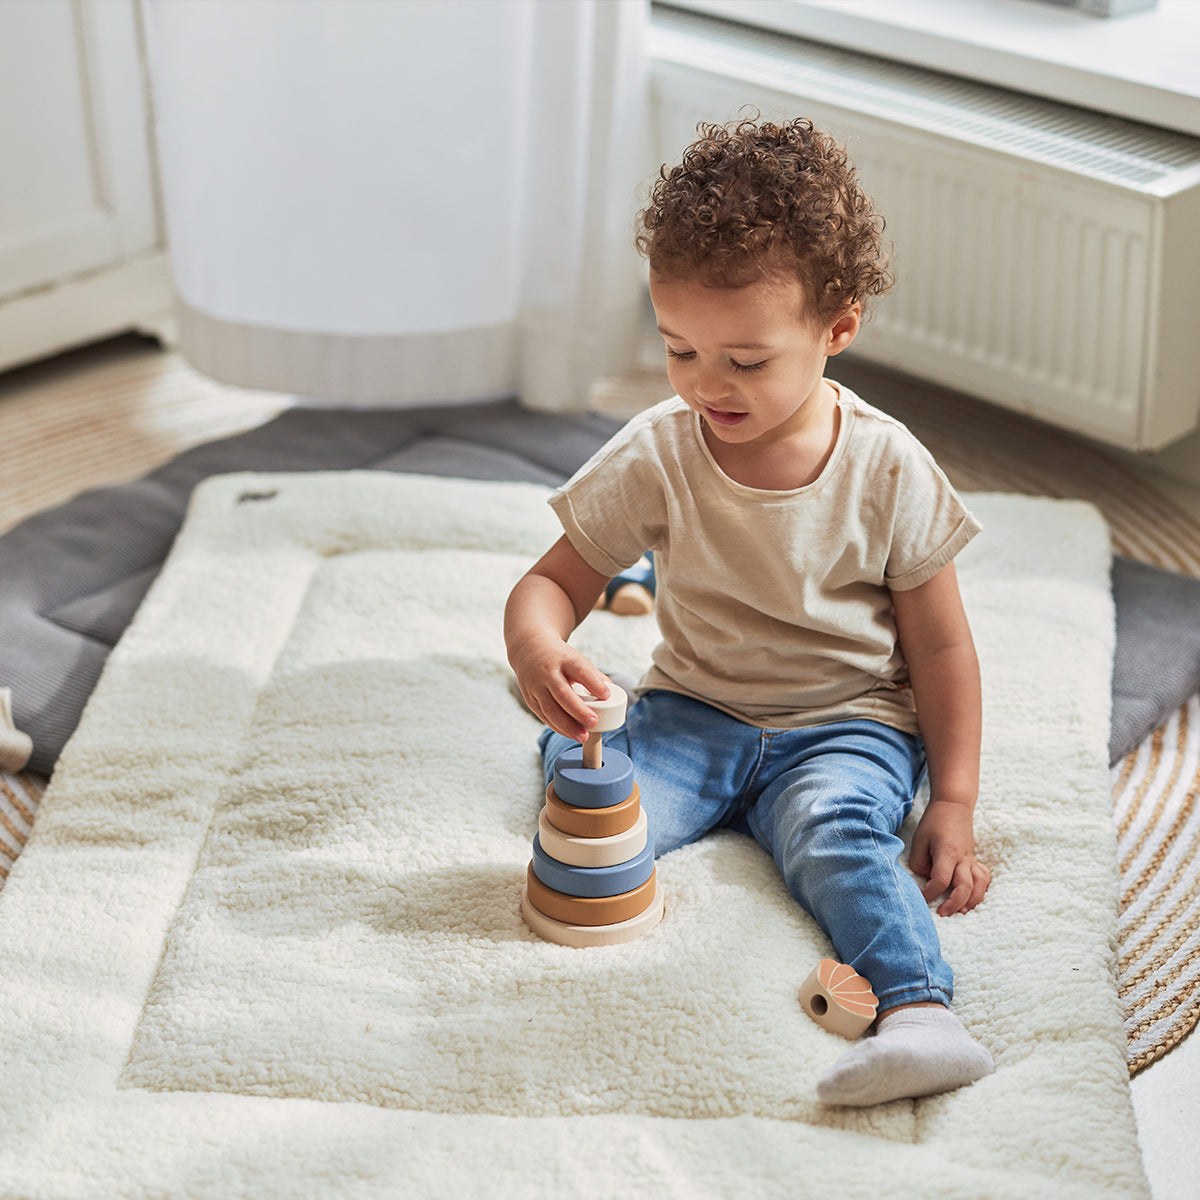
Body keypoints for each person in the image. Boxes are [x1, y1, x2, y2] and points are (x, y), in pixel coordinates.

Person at [504, 115, 993, 1107]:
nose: (704, 384)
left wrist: (954, 800)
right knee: (590, 794)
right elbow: (550, 583)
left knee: (837, 837)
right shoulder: (660, 448)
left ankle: (920, 1013)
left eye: (746, 360)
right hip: (694, 710)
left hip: (846, 726)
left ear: (837, 329)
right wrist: (537, 649)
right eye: (679, 347)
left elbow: (941, 644)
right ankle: (590, 759)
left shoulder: (888, 465)